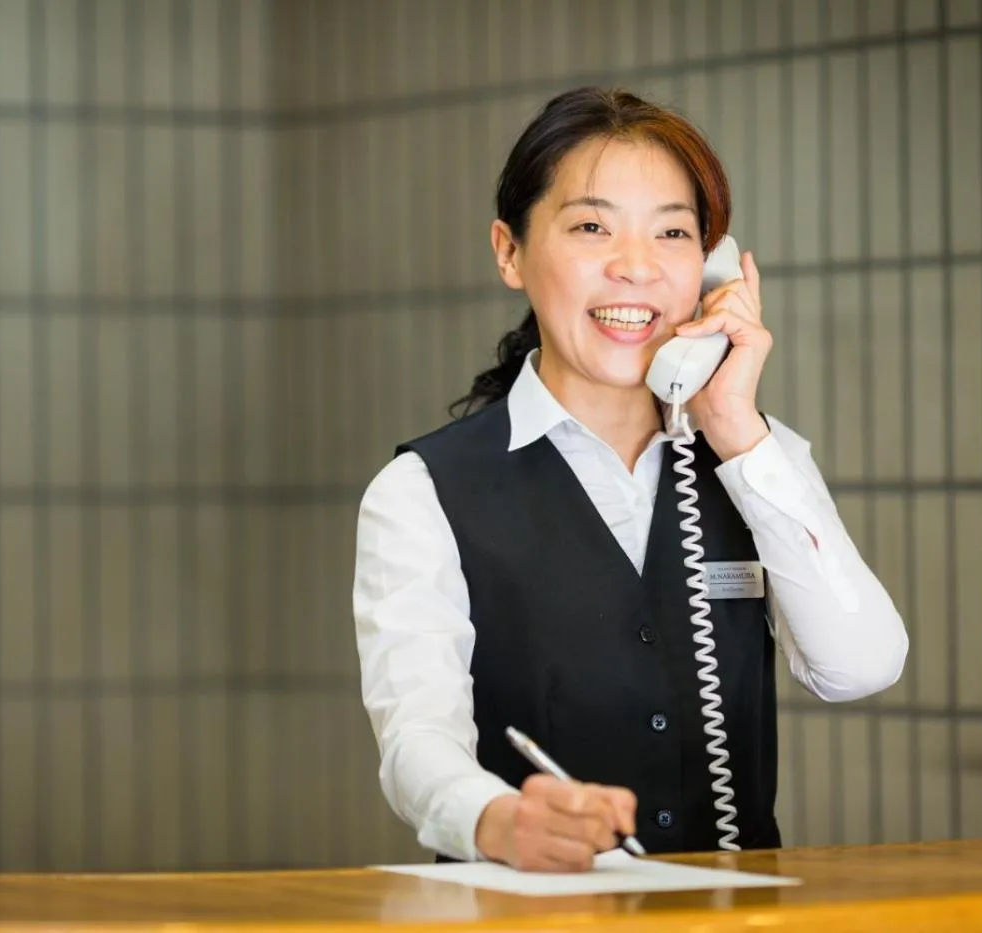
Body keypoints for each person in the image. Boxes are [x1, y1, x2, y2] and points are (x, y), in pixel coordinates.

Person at [352, 86, 908, 873]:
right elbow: (416, 736)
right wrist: (494, 818)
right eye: (592, 227)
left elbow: (861, 666)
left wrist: (735, 427)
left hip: (732, 918)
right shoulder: (423, 490)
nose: (636, 268)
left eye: (673, 233)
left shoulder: (755, 457)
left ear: (713, 267)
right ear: (509, 251)